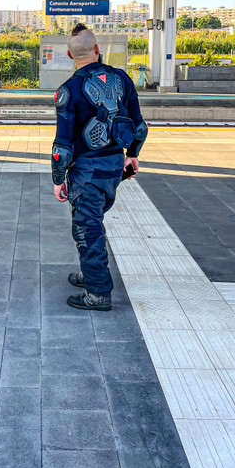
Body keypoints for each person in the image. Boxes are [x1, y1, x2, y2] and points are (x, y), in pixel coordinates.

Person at [52, 23, 148, 311]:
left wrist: (58, 179)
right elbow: (139, 127)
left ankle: (97, 293)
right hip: (114, 168)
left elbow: (62, 147)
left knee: (87, 229)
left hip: (87, 173)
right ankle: (91, 272)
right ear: (97, 49)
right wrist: (132, 155)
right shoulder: (122, 79)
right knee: (91, 221)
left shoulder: (68, 90)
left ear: (70, 56)